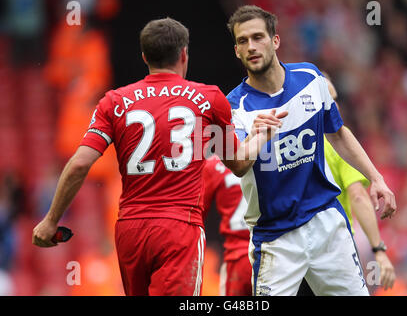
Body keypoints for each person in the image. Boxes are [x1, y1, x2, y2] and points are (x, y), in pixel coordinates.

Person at [31, 17, 285, 296]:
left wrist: (51, 220)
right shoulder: (209, 98)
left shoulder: (113, 102)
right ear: (184, 54)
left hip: (130, 230)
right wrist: (259, 135)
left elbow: (80, 163)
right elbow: (237, 165)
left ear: (144, 57)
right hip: (180, 227)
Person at [226, 5, 397, 296]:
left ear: (275, 41)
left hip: (325, 223)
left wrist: (376, 178)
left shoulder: (310, 78)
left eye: (258, 37)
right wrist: (258, 136)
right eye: (243, 41)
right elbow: (238, 164)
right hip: (275, 238)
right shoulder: (234, 107)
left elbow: (339, 134)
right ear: (236, 51)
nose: (251, 47)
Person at [298, 76, 396, 296]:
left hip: (294, 251)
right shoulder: (340, 144)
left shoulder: (290, 144)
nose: (335, 106)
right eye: (329, 99)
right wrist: (378, 249)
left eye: (335, 99)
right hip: (334, 249)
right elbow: (358, 196)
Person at [202, 155, 252, 296]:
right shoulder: (274, 155)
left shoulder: (214, 164)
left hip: (236, 257)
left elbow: (198, 212)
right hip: (271, 251)